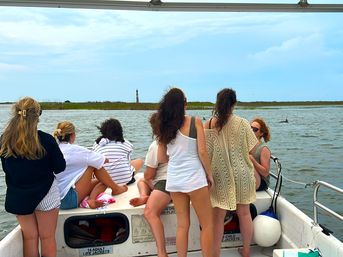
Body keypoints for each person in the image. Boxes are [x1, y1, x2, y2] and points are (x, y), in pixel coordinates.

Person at [0, 97, 66, 257]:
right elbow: (60, 167)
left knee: (30, 238)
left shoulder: (5, 140)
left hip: (19, 196)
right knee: (47, 237)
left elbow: (7, 169)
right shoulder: (46, 139)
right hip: (46, 194)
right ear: (37, 116)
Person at [153, 88, 214, 257]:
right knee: (207, 225)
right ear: (184, 104)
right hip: (194, 180)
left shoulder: (164, 127)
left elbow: (162, 158)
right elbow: (202, 152)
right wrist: (209, 175)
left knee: (182, 225)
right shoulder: (195, 121)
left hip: (174, 181)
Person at [204, 88, 258, 257]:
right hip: (243, 174)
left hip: (220, 175)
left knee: (218, 217)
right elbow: (254, 146)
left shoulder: (209, 124)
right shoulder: (242, 123)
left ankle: (216, 253)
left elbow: (205, 152)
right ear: (234, 103)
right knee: (244, 213)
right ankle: (247, 250)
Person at [54, 121, 128, 210]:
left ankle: (91, 199)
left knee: (103, 182)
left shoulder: (53, 150)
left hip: (55, 201)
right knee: (93, 165)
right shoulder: (76, 150)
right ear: (73, 135)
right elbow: (104, 160)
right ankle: (114, 189)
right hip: (68, 200)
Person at [129, 113, 171, 257]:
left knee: (149, 211)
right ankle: (146, 195)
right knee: (144, 180)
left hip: (165, 183)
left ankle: (162, 252)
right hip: (181, 181)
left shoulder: (156, 145)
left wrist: (147, 177)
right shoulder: (179, 140)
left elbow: (149, 175)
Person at [93, 118, 144, 185]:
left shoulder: (97, 143)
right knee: (140, 161)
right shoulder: (125, 142)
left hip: (102, 182)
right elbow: (127, 159)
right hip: (125, 181)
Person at [250, 118, 271, 191]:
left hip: (261, 182)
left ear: (261, 133)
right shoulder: (246, 145)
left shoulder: (263, 149)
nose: (251, 131)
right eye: (250, 128)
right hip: (249, 178)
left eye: (255, 130)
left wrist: (253, 160)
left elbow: (265, 173)